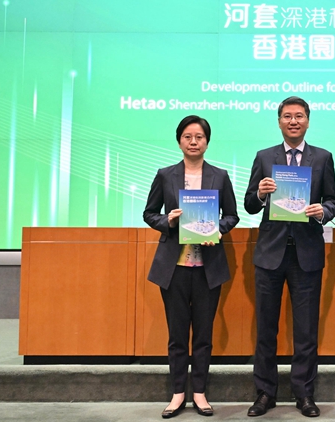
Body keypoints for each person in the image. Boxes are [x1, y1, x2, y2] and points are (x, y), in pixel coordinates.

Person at [244, 96, 335, 418]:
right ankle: (264, 393)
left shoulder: (322, 157)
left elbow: (333, 201)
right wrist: (260, 194)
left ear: (308, 121)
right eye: (287, 116)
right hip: (270, 254)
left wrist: (322, 211)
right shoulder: (264, 157)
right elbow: (249, 204)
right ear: (279, 121)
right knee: (265, 329)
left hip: (306, 254)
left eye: (299, 116)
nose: (293, 121)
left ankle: (304, 394)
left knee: (306, 331)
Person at [143, 115, 240, 418]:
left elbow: (232, 215)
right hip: (174, 268)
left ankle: (199, 392)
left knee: (203, 334)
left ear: (207, 142)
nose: (193, 142)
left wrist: (217, 229)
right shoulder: (165, 175)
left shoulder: (220, 176)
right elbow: (149, 213)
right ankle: (177, 393)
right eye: (188, 136)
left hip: (208, 268)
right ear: (179, 141)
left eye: (199, 137)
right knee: (176, 335)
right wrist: (168, 221)